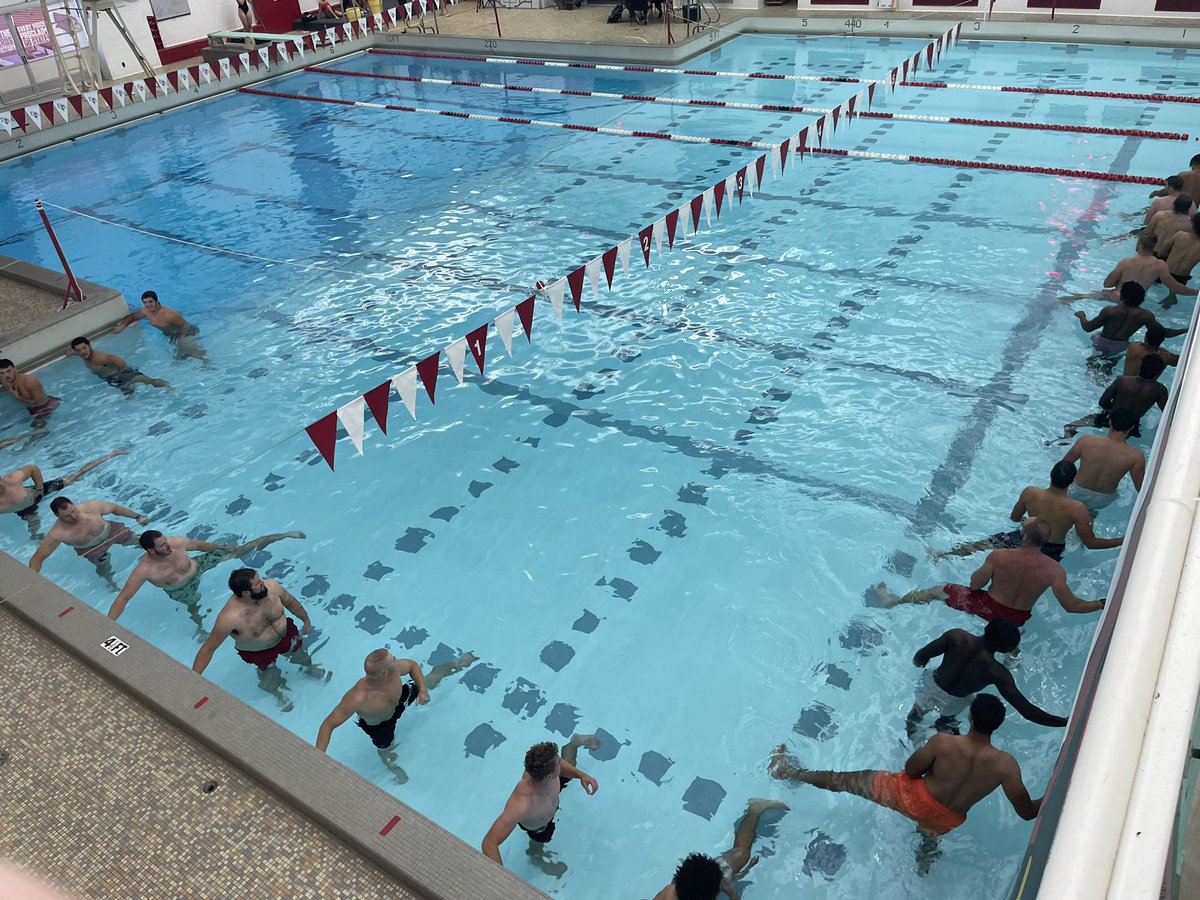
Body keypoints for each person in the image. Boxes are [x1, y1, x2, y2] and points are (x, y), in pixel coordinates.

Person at [769, 695, 1041, 874]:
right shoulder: (1006, 766)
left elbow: (911, 769)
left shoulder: (944, 742)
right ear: (998, 725)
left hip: (910, 796)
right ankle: (923, 863)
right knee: (929, 830)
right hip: (947, 819)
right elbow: (1028, 812)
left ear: (970, 717)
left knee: (844, 781)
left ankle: (788, 771)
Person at [874, 518, 1105, 626]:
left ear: (1023, 536)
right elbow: (1071, 606)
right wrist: (1103, 603)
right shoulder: (1056, 571)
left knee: (938, 590)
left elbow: (974, 586)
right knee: (1008, 638)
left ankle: (891, 602)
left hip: (987, 607)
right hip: (1016, 619)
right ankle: (1011, 655)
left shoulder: (1000, 556)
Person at [315, 647, 477, 781]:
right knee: (386, 747)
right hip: (380, 725)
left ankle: (455, 664)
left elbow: (413, 666)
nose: (396, 660)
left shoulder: (394, 669)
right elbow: (327, 725)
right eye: (393, 660)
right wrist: (316, 759)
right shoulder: (357, 698)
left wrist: (422, 690)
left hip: (400, 699)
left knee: (431, 680)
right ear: (385, 673)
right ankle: (391, 765)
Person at [930, 461, 1122, 562]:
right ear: (1072, 482)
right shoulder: (1077, 508)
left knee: (980, 545)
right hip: (1049, 550)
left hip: (1022, 536)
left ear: (1050, 475)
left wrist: (1032, 519)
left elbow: (1014, 518)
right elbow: (1091, 543)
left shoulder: (1030, 492)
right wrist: (1124, 540)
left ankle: (943, 555)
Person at [907, 622, 1067, 739]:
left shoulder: (956, 637)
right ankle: (944, 724)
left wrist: (916, 669)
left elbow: (921, 656)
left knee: (915, 716)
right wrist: (1065, 722)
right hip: (956, 699)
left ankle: (912, 742)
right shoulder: (996, 672)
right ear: (1004, 648)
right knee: (947, 721)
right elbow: (1027, 711)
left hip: (930, 684)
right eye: (1011, 647)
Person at [108, 528, 305, 621]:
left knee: (240, 551)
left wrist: (221, 547)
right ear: (151, 551)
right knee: (193, 606)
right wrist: (108, 624)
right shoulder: (144, 570)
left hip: (197, 566)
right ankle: (199, 624)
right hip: (181, 589)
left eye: (166, 541)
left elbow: (200, 546)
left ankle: (278, 535)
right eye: (162, 546)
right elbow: (124, 597)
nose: (169, 546)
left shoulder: (176, 542)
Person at [482, 735, 601, 875]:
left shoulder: (549, 774)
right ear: (550, 776)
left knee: (570, 764)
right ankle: (535, 854)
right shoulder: (521, 804)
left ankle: (573, 744)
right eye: (558, 763)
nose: (561, 763)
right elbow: (489, 843)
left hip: (549, 796)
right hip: (539, 827)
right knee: (539, 842)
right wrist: (502, 881)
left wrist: (582, 776)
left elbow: (561, 765)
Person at [192, 567, 324, 677]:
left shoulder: (272, 588)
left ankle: (309, 668)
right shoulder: (230, 618)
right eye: (257, 584)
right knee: (270, 677)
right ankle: (277, 694)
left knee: (300, 654)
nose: (263, 583)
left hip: (286, 635)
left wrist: (306, 620)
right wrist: (194, 679)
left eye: (259, 579)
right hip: (259, 652)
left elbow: (291, 602)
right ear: (245, 593)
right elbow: (208, 649)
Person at [651, 799, 790, 900]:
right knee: (740, 850)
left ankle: (756, 808)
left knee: (742, 851)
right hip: (707, 877)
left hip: (721, 872)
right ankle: (755, 808)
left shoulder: (668, 893)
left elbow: (733, 895)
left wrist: (744, 872)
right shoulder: (671, 889)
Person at [28, 496, 149, 588]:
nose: (74, 516)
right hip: (91, 549)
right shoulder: (57, 534)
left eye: (73, 511)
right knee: (105, 569)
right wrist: (32, 580)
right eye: (67, 516)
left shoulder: (91, 507)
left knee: (140, 541)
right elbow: (38, 558)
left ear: (74, 505)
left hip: (111, 531)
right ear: (57, 516)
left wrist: (137, 516)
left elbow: (115, 508)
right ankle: (111, 585)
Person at [0, 451, 126, 534]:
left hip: (39, 493)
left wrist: (39, 489)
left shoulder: (12, 480)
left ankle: (111, 455)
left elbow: (33, 468)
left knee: (76, 476)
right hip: (25, 509)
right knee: (35, 533)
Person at [1056, 354, 1169, 442]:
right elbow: (1167, 413)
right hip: (1130, 426)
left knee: (1070, 427)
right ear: (1158, 374)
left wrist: (1113, 408)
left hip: (1110, 417)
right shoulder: (1159, 390)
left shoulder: (1123, 381)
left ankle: (1060, 443)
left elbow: (1103, 402)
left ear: (1140, 367)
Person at [1058, 235, 1197, 303]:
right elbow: (1176, 287)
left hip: (1116, 296)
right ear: (1154, 246)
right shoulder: (1160, 265)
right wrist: (1197, 292)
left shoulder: (1127, 262)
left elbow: (1107, 284)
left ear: (1140, 245)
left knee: (1082, 296)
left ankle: (1061, 301)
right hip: (1136, 301)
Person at [1060, 408, 1144, 513]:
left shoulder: (1086, 441)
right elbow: (1140, 488)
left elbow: (1063, 465)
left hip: (1077, 490)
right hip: (1103, 499)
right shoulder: (1135, 456)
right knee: (1088, 514)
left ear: (1110, 422)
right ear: (1131, 427)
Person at [1074, 282, 1183, 361]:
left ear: (1122, 296)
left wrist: (1081, 316)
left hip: (1100, 343)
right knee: (1109, 366)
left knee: (1092, 365)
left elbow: (1088, 328)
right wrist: (1185, 330)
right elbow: (1163, 332)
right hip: (1121, 346)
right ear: (1142, 299)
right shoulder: (1145, 315)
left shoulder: (1110, 311)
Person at [111, 290, 209, 366]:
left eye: (150, 301)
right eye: (145, 302)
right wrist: (122, 326)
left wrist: (180, 341)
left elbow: (185, 326)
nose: (148, 305)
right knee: (179, 358)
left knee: (186, 347)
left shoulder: (169, 314)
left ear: (157, 301)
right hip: (173, 335)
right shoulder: (146, 311)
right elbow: (133, 317)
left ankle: (206, 362)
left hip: (187, 331)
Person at [69, 336, 170, 394]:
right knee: (129, 397)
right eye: (78, 350)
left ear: (89, 345)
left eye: (84, 348)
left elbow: (119, 361)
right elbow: (78, 352)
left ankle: (169, 387)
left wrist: (122, 374)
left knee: (149, 381)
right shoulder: (83, 355)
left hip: (123, 374)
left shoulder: (99, 357)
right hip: (113, 379)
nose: (82, 352)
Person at [1157, 213, 1200, 307]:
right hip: (1182, 277)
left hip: (1165, 272)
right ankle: (1172, 297)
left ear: (1193, 223)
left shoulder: (1180, 235)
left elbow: (1162, 251)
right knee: (1173, 291)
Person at [0, 358, 61, 423]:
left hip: (45, 408)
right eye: (2, 373)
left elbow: (37, 401)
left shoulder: (29, 381)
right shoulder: (6, 381)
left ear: (15, 369)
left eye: (9, 371)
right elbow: (4, 389)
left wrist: (17, 397)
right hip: (30, 408)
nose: (6, 375)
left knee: (38, 429)